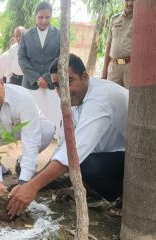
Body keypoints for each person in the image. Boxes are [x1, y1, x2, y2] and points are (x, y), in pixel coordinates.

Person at [7, 54, 129, 218]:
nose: (62, 91)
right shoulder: (72, 99)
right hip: (114, 154)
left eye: (68, 81)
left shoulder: (100, 98)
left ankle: (127, 197)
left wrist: (32, 187)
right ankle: (92, 189)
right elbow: (62, 148)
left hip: (141, 161)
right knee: (81, 162)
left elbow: (73, 155)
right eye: (57, 85)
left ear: (84, 77)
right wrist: (28, 183)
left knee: (85, 164)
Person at [0, 67, 55, 195]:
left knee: (47, 129)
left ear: (2, 83)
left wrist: (24, 182)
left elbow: (31, 139)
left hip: (24, 130)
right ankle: (1, 171)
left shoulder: (22, 97)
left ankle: (22, 162)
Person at [18, 1, 62, 137]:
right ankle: (28, 153)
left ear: (51, 16)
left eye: (47, 17)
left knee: (56, 121)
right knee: (29, 122)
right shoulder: (26, 35)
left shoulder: (59, 34)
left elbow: (62, 58)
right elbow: (22, 58)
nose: (44, 20)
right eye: (41, 17)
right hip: (31, 86)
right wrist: (37, 78)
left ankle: (59, 155)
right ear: (35, 17)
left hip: (52, 86)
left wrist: (47, 78)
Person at [102, 0, 133, 89]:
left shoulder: (140, 20)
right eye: (127, 0)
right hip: (113, 67)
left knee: (129, 98)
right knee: (111, 96)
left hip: (130, 67)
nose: (130, 3)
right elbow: (109, 45)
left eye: (133, 1)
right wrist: (105, 72)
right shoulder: (115, 19)